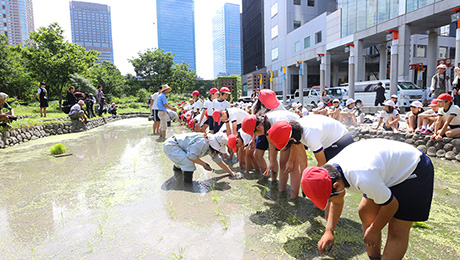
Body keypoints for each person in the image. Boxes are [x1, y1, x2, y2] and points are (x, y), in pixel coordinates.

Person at [302, 139, 434, 260]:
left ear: (337, 186)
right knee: (365, 211)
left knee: (396, 230)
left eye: (328, 198)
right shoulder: (328, 172)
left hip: (413, 170)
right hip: (384, 170)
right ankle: (374, 258)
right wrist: (329, 231)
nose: (330, 202)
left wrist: (374, 229)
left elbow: (391, 206)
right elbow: (336, 201)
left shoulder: (363, 177)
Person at [163, 132, 237, 183]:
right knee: (188, 163)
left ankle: (177, 174)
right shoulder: (203, 142)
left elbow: (219, 161)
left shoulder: (210, 145)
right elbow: (191, 156)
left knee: (183, 161)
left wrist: (231, 173)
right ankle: (187, 186)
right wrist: (204, 164)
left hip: (177, 146)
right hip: (172, 145)